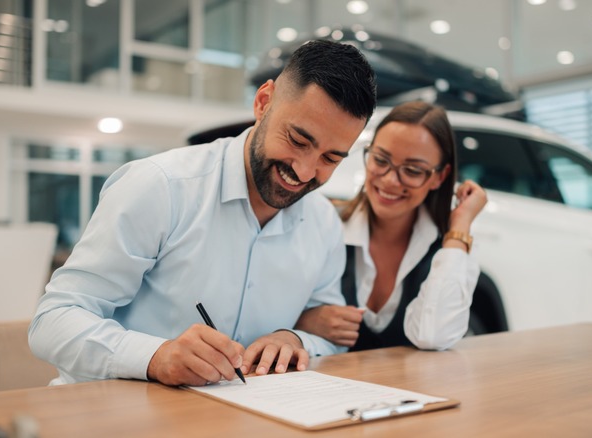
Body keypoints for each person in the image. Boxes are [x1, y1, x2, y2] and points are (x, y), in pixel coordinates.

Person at [28, 40, 377, 386]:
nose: (303, 171)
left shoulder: (324, 222)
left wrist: (295, 340)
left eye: (330, 158)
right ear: (263, 102)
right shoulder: (159, 187)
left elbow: (328, 336)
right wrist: (155, 356)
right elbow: (54, 320)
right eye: (298, 141)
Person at [295, 101, 487, 351]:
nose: (390, 180)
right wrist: (305, 320)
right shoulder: (327, 226)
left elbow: (434, 336)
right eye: (381, 160)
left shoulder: (450, 249)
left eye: (412, 170)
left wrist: (460, 227)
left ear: (439, 177)